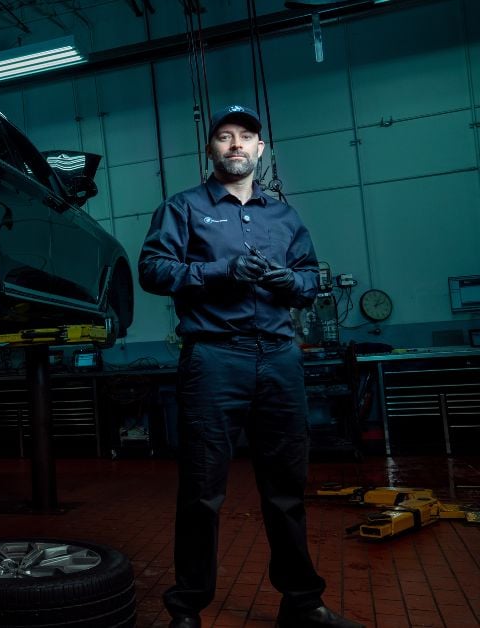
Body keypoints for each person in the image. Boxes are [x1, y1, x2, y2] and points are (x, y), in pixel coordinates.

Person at [138, 105, 363, 628]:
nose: (235, 145)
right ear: (210, 150)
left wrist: (290, 282)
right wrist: (223, 270)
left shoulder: (284, 217)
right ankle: (187, 609)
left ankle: (302, 603)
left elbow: (310, 281)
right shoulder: (184, 208)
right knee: (202, 490)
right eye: (224, 137)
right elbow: (153, 269)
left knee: (286, 489)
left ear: (261, 150)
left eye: (246, 137)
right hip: (215, 359)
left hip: (281, 359)